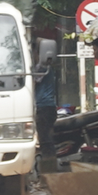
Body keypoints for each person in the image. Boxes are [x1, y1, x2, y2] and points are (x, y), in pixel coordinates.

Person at [32, 26, 60, 157]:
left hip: (45, 107)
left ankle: (50, 166)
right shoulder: (41, 67)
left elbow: (31, 83)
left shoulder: (42, 67)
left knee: (45, 140)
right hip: (44, 107)